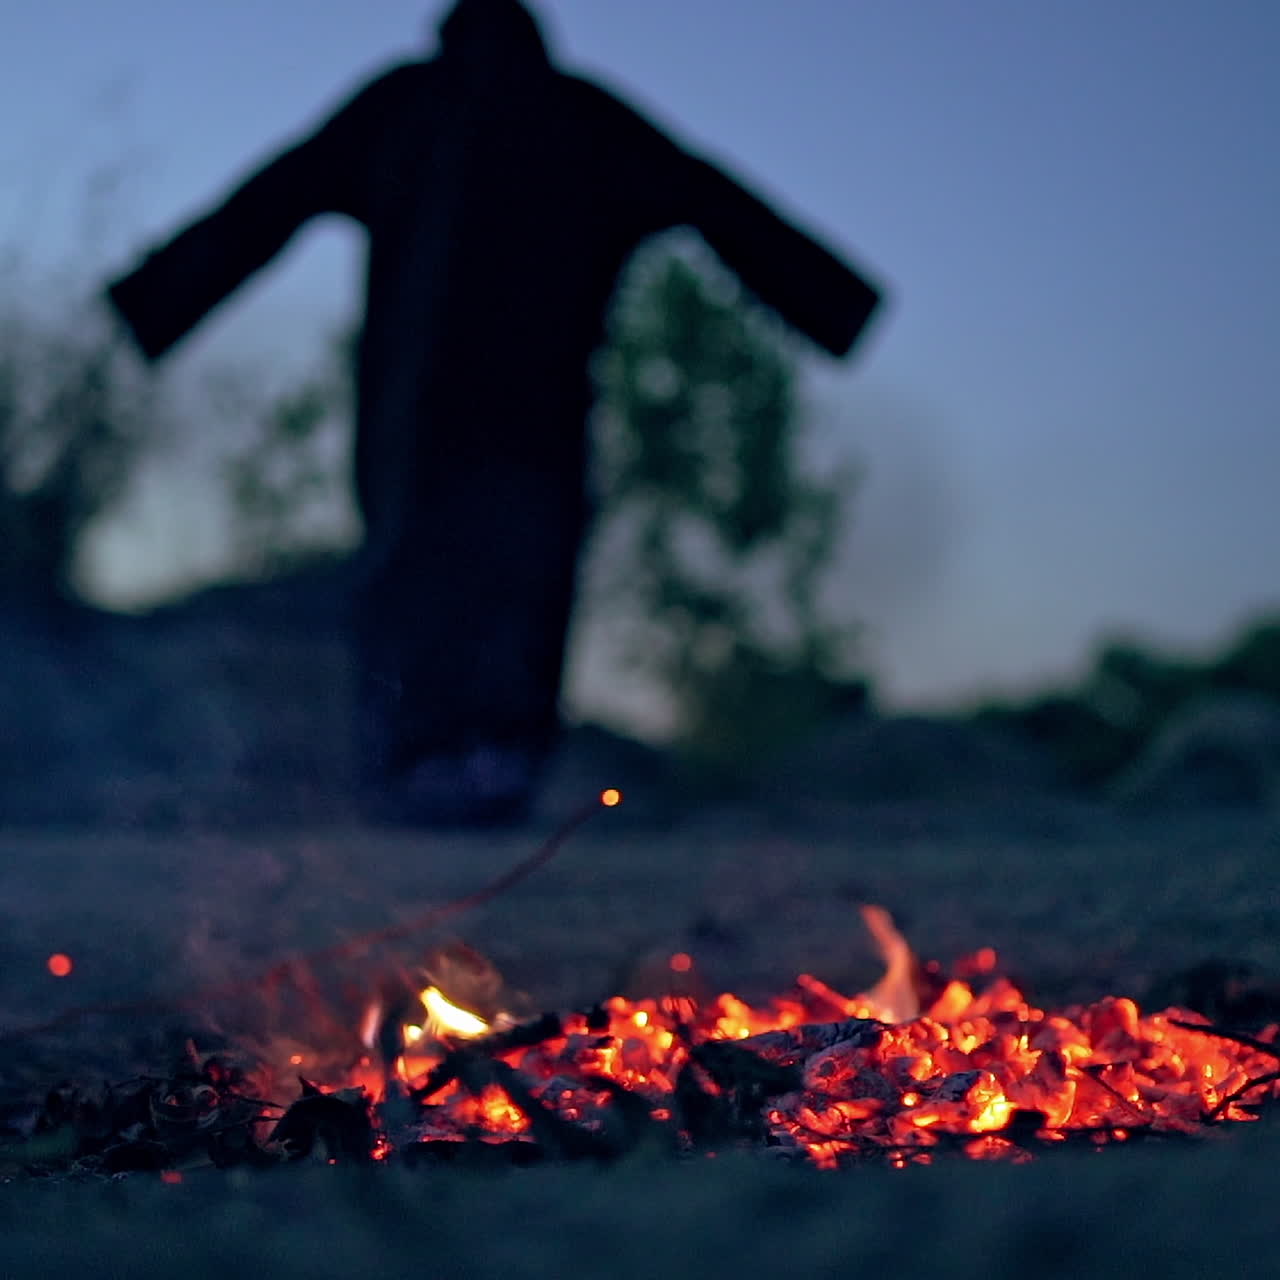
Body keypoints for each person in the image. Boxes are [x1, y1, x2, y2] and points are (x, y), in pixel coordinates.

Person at [105, 0, 884, 826]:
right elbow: (717, 201)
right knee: (509, 579)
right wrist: (836, 306)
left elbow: (269, 201)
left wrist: (151, 304)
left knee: (427, 571)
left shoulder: (418, 106)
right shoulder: (570, 115)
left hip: (425, 412)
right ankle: (478, 763)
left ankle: (423, 765)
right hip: (526, 416)